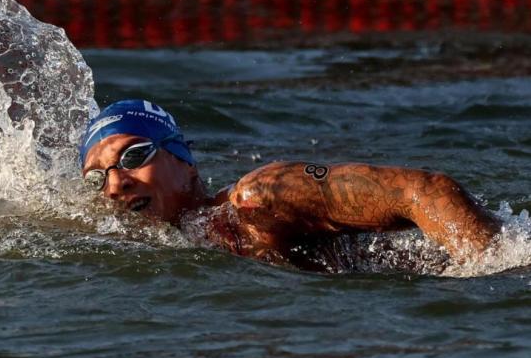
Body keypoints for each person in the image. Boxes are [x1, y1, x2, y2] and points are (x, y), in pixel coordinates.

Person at [80, 100, 500, 271]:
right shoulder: (171, 247)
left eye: (134, 157)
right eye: (97, 178)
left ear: (185, 163)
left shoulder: (261, 197)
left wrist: (496, 276)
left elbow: (425, 190)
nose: (115, 185)